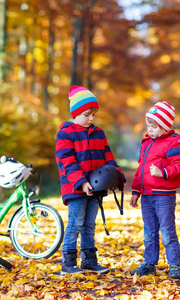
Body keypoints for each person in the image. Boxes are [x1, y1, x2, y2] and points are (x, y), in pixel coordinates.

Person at [55, 85, 125, 275]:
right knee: (75, 223)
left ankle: (89, 261)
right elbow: (67, 161)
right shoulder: (65, 134)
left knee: (89, 225)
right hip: (76, 188)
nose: (91, 118)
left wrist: (118, 175)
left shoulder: (99, 133)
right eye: (87, 114)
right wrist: (81, 182)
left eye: (94, 114)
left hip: (96, 188)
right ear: (75, 113)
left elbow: (108, 157)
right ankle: (68, 263)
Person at [129, 101, 180, 279]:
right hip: (147, 196)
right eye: (148, 125)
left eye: (154, 126)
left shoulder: (174, 143)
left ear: (165, 126)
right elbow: (140, 169)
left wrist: (162, 172)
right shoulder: (147, 143)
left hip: (164, 196)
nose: (150, 129)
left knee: (166, 230)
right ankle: (149, 263)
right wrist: (135, 191)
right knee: (149, 231)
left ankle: (174, 265)